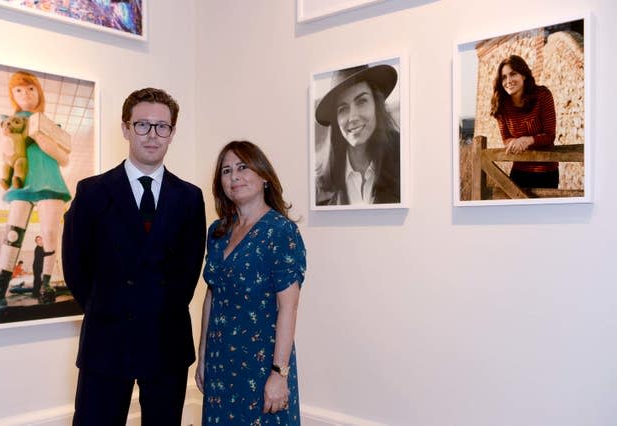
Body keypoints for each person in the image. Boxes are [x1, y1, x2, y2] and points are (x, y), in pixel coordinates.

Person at [61, 87, 206, 425]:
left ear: (172, 133)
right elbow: (75, 267)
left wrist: (154, 306)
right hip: (106, 337)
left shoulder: (189, 197)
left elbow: (188, 272)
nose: (152, 135)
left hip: (165, 339)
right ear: (126, 128)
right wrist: (107, 306)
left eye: (162, 127)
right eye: (142, 125)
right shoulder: (92, 192)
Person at [195, 141, 307, 425]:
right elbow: (212, 297)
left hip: (261, 366)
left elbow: (288, 307)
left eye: (243, 167)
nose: (234, 177)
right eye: (226, 170)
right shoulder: (217, 232)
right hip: (221, 365)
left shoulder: (281, 231)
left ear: (264, 176)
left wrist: (279, 374)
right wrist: (203, 357)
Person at [0, 70, 71, 305]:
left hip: (49, 179)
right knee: (12, 232)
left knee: (50, 232)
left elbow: (64, 158)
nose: (25, 93)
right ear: (12, 94)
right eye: (19, 89)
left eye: (30, 88)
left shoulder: (49, 125)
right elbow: (7, 154)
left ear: (39, 93)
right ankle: (1, 281)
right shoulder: (11, 122)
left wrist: (42, 137)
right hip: (21, 181)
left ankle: (45, 282)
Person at [315, 63, 400, 205]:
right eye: (343, 108)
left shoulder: (402, 168)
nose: (352, 117)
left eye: (361, 101)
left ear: (376, 105)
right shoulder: (319, 189)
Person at [491, 54, 558, 189]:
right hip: (519, 171)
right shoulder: (501, 104)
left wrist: (528, 140)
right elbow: (506, 139)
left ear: (524, 75)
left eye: (513, 74)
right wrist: (514, 142)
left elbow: (550, 135)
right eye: (504, 77)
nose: (508, 80)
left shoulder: (542, 95)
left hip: (546, 172)